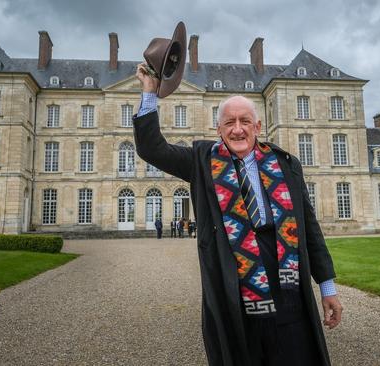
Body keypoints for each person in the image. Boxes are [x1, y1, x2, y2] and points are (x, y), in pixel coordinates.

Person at [134, 63, 342, 366]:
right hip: (234, 282)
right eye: (229, 122)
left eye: (245, 121)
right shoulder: (201, 161)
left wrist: (327, 287)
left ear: (258, 128)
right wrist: (150, 92)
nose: (237, 129)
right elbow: (152, 148)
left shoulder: (286, 164)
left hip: (286, 280)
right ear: (218, 129)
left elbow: (310, 230)